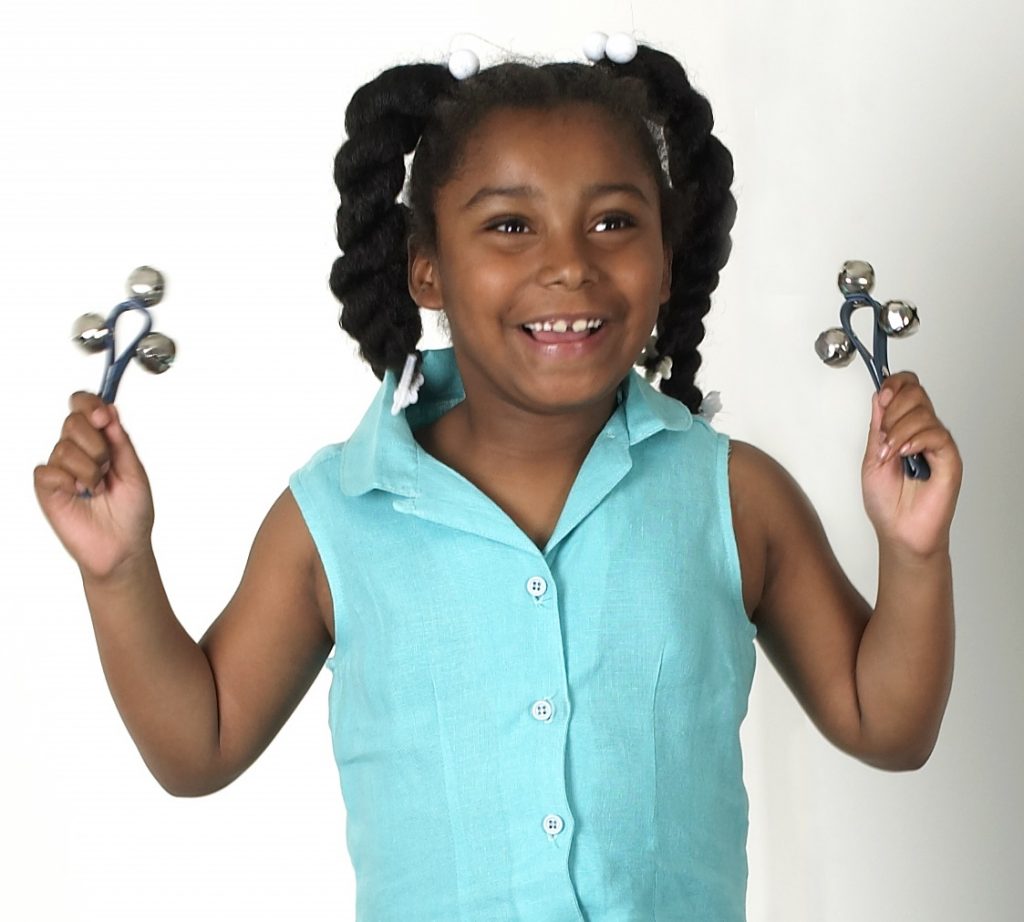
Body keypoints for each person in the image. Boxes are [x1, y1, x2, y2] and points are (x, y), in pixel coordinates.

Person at [34, 41, 962, 922]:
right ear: (426, 271)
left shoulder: (734, 495)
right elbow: (199, 746)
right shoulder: (337, 517)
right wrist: (119, 573)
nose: (568, 262)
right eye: (510, 225)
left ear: (668, 258)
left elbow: (887, 725)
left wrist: (913, 553)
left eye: (613, 221)